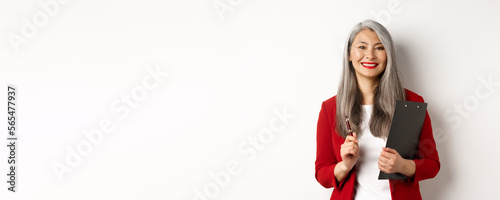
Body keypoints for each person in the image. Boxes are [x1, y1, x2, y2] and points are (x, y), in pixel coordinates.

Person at [314, 19, 440, 200]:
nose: (370, 55)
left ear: (388, 55)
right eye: (362, 47)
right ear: (349, 54)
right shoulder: (330, 108)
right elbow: (321, 175)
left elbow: (432, 165)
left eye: (379, 48)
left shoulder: (412, 102)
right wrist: (345, 165)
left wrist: (402, 166)